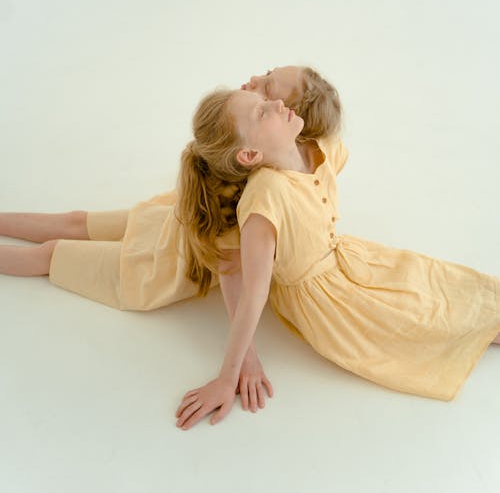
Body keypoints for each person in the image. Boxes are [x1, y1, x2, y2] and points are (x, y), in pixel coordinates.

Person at [0, 66, 340, 414]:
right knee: (73, 223)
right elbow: (237, 278)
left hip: (158, 262)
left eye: (267, 94)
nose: (253, 84)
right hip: (167, 230)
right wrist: (236, 369)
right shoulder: (246, 169)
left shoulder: (257, 193)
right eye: (261, 98)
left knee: (52, 252)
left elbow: (234, 276)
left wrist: (239, 366)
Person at [174, 86, 500, 430]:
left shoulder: (311, 150)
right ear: (251, 155)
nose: (276, 103)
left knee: (428, 279)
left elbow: (319, 92)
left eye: (264, 99)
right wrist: (234, 372)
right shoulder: (264, 200)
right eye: (261, 113)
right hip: (329, 300)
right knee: (419, 324)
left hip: (349, 261)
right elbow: (252, 293)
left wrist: (273, 81)